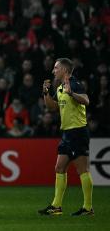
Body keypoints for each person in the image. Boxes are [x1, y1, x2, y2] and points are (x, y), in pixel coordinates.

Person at [38, 58, 94, 216]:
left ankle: (88, 207)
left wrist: (72, 93)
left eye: (56, 68)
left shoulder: (73, 83)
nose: (53, 71)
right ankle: (56, 206)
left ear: (64, 69)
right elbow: (52, 107)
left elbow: (86, 100)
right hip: (67, 133)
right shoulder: (62, 87)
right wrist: (46, 93)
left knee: (82, 169)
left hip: (78, 131)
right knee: (59, 168)